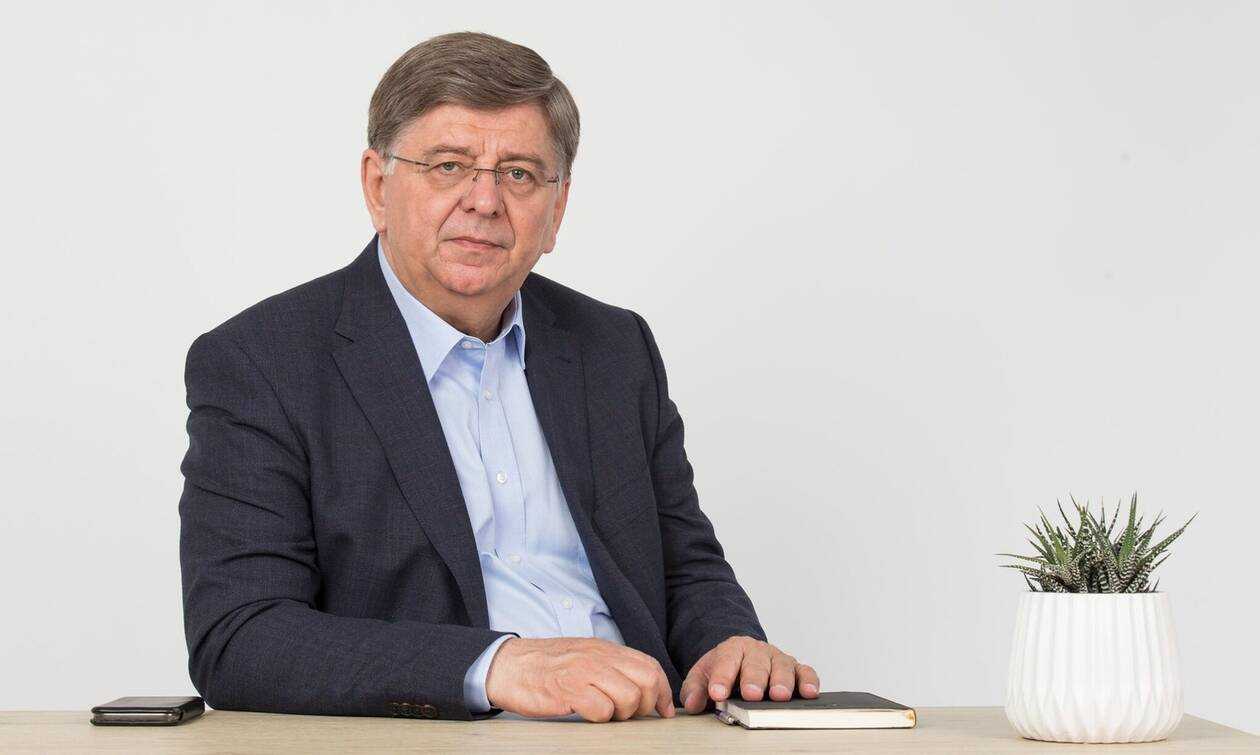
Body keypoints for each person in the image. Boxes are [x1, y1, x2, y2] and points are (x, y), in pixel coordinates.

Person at [178, 30, 819, 723]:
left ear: (556, 209)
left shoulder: (615, 348)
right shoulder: (263, 363)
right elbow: (241, 637)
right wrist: (496, 665)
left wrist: (730, 642)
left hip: (645, 730)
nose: (484, 201)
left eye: (518, 174)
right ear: (377, 187)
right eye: (449, 166)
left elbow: (684, 565)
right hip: (441, 733)